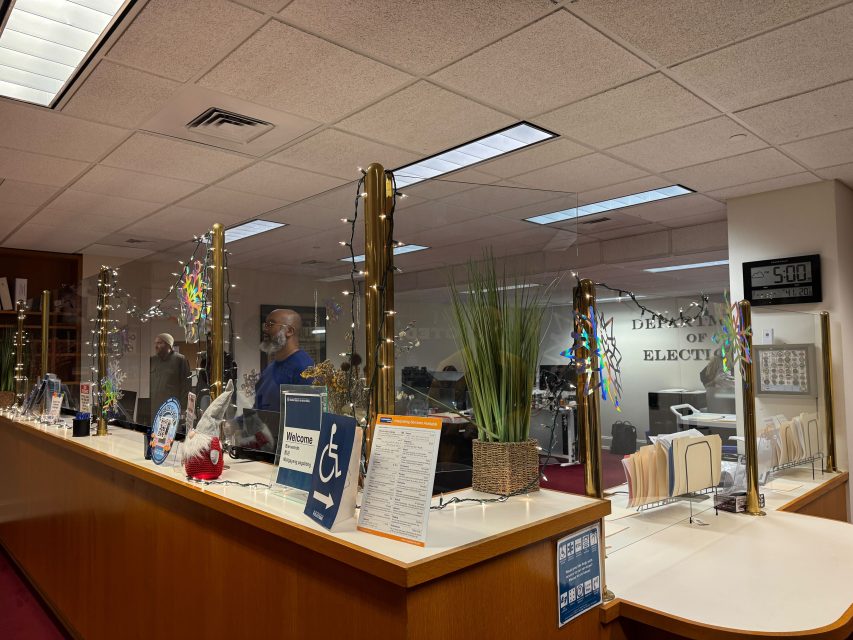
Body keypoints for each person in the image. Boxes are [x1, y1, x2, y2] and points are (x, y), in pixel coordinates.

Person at [254, 308, 314, 411]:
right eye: (265, 325)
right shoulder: (270, 368)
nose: (265, 329)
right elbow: (257, 411)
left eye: (270, 324)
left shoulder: (304, 368)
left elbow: (307, 415)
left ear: (289, 331)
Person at [149, 333, 191, 417]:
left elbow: (186, 385)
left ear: (168, 345)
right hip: (155, 408)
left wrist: (183, 408)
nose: (156, 346)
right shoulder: (153, 360)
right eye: (155, 343)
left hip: (172, 408)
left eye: (159, 343)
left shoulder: (180, 359)